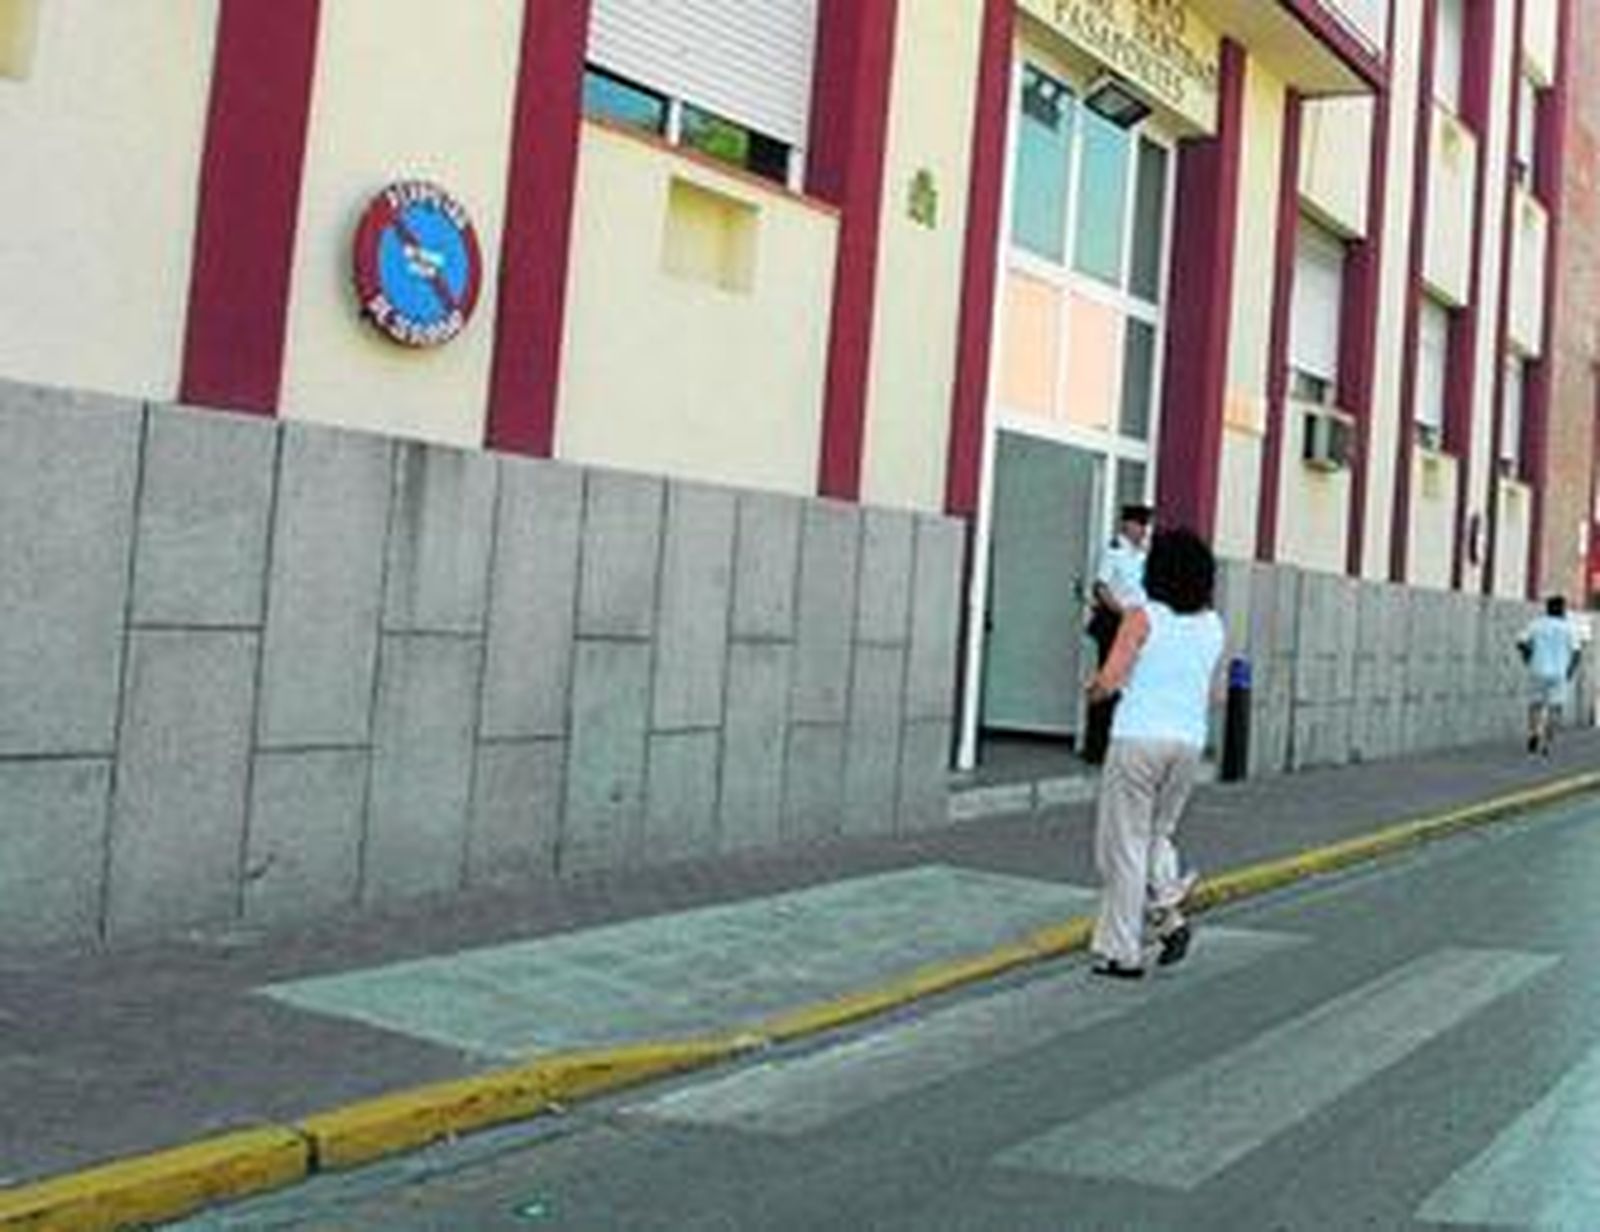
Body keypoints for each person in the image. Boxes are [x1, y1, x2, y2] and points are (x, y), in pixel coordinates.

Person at [1084, 527, 1223, 980]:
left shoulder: (1141, 618)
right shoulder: (1212, 625)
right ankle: (1169, 916)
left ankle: (1123, 952)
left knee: (1123, 847)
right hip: (1187, 745)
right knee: (1155, 837)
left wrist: (1094, 690)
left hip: (1138, 739)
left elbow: (1111, 679)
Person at [1082, 503, 1154, 765]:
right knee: (1108, 682)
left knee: (1129, 685)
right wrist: (1122, 613)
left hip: (1135, 625)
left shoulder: (1142, 555)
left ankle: (1119, 744)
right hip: (1114, 623)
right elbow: (1101, 588)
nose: (1144, 531)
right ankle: (1096, 748)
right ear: (1127, 525)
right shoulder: (1114, 551)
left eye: (1146, 526)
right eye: (1140, 525)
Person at [1517, 595, 1581, 757]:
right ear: (1562, 610)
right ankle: (1547, 743)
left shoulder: (1536, 624)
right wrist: (1570, 671)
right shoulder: (1569, 628)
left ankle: (1533, 733)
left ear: (1547, 608)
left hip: (1537, 669)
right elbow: (1576, 653)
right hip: (1559, 673)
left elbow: (1521, 642)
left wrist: (1528, 658)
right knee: (1555, 708)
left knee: (1535, 705)